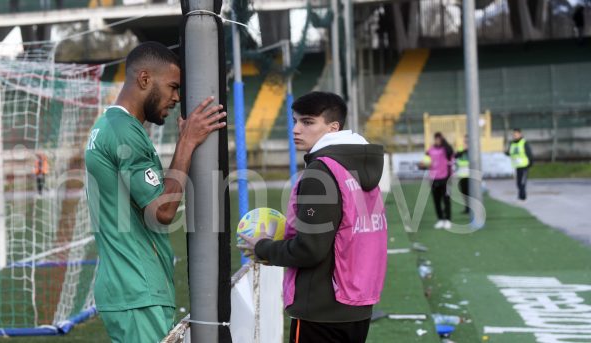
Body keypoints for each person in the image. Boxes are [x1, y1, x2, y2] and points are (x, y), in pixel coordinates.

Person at [84, 42, 226, 343]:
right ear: (145, 79)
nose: (176, 98)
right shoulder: (124, 131)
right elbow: (162, 211)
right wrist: (186, 143)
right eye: (173, 87)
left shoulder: (109, 125)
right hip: (137, 290)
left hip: (130, 290)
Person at [239, 92, 387, 343]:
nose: (296, 129)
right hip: (358, 304)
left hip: (320, 309)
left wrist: (264, 247)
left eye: (307, 122)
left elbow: (310, 249)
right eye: (295, 120)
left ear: (333, 127)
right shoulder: (360, 166)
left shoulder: (321, 172)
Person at [425, 132, 454, 229]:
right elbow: (426, 161)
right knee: (436, 201)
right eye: (436, 139)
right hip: (434, 179)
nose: (437, 141)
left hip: (445, 178)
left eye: (439, 139)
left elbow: (451, 153)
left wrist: (444, 142)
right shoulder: (430, 150)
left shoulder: (446, 149)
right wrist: (423, 164)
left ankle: (448, 220)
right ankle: (440, 219)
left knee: (446, 200)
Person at [505, 128, 533, 201]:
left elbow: (529, 154)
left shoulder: (524, 143)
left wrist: (530, 163)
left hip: (524, 166)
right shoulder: (512, 143)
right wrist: (505, 152)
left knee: (522, 182)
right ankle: (521, 196)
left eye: (516, 134)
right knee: (518, 183)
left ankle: (522, 197)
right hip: (517, 166)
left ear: (520, 134)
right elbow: (510, 153)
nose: (515, 136)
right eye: (514, 135)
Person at [455, 138, 470, 214]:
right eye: (465, 141)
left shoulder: (473, 149)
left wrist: (467, 150)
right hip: (461, 174)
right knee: (464, 193)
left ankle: (472, 208)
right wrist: (463, 150)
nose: (466, 142)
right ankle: (467, 208)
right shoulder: (461, 148)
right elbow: (456, 156)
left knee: (470, 193)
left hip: (470, 175)